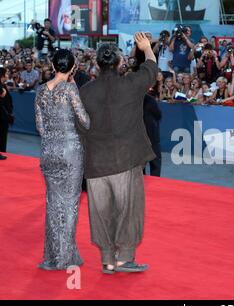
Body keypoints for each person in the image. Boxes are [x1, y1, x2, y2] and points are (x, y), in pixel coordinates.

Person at [78, 33, 158, 274]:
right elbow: (152, 68)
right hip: (126, 159)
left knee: (101, 213)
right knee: (128, 209)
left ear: (97, 64)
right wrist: (146, 48)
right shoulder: (131, 84)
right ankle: (124, 259)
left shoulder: (86, 91)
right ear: (119, 62)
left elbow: (79, 126)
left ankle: (108, 260)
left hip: (96, 163)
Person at [34, 49, 90, 270]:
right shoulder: (70, 90)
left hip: (48, 152)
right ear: (73, 67)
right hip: (70, 153)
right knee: (69, 206)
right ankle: (63, 257)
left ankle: (54, 255)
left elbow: (40, 127)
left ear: (54, 65)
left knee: (52, 204)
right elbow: (85, 121)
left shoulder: (40, 91)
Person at [143, 92, 162, 176]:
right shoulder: (150, 99)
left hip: (138, 137)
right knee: (155, 162)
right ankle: (156, 182)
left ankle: (141, 182)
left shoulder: (132, 100)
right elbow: (158, 115)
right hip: (151, 136)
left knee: (139, 163)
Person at [0, 68, 14, 159]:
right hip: (1, 114)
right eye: (6, 73)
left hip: (3, 114)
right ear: (2, 75)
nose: (7, 75)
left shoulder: (2, 85)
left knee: (2, 133)